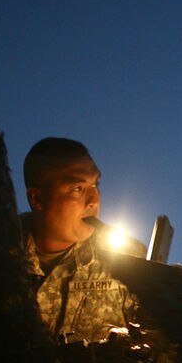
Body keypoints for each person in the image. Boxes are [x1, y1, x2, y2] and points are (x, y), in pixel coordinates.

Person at [20, 137, 144, 343]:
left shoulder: (128, 259)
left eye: (95, 184)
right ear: (37, 199)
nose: (93, 201)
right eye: (77, 188)